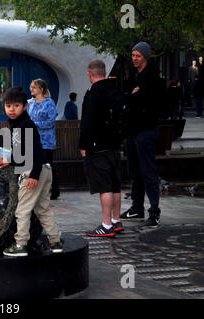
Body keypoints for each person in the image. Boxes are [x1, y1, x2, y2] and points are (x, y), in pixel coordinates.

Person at [0, 86, 63, 257]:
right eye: (8, 105)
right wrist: (9, 161)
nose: (12, 109)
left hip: (34, 171)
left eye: (16, 106)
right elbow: (21, 154)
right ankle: (55, 241)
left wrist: (33, 175)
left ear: (25, 106)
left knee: (22, 210)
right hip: (44, 169)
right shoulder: (19, 124)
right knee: (43, 209)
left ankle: (20, 244)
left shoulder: (24, 125)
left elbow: (36, 152)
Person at [80, 60, 125, 237]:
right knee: (115, 185)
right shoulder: (115, 91)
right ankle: (116, 220)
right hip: (114, 145)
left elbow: (87, 122)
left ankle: (106, 225)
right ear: (105, 73)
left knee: (105, 186)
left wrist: (83, 145)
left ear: (90, 74)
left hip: (97, 147)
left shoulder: (93, 94)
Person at [120, 41, 163, 228]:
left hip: (145, 130)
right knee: (135, 172)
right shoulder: (133, 76)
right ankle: (137, 207)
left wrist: (133, 98)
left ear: (145, 57)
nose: (134, 59)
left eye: (138, 56)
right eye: (133, 55)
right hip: (132, 130)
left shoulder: (151, 77)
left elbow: (148, 103)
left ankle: (154, 212)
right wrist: (132, 97)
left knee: (148, 171)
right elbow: (127, 98)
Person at [27, 78, 60, 200]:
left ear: (41, 89)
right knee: (34, 164)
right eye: (31, 87)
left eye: (34, 87)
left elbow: (50, 122)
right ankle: (36, 190)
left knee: (47, 165)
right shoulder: (29, 103)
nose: (32, 89)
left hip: (46, 140)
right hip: (32, 139)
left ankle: (55, 189)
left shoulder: (49, 103)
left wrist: (34, 124)